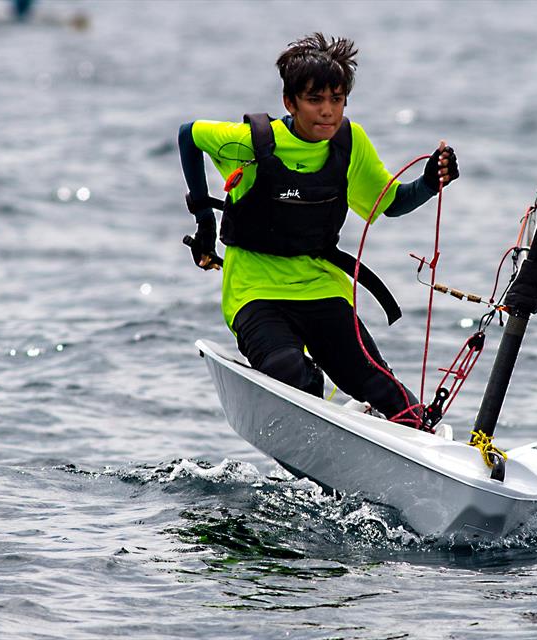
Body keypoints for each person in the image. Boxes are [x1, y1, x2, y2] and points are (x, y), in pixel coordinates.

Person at [178, 33, 458, 427]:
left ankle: (406, 434)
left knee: (385, 390)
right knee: (290, 374)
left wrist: (429, 183)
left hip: (323, 288)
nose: (327, 111)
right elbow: (188, 134)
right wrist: (204, 218)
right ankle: (323, 411)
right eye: (314, 100)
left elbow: (391, 203)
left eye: (337, 100)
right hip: (255, 292)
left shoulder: (348, 143)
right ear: (289, 102)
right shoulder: (251, 143)